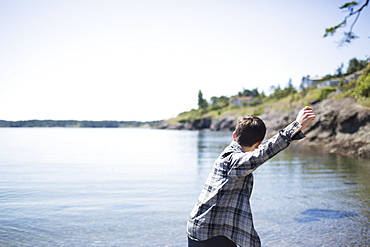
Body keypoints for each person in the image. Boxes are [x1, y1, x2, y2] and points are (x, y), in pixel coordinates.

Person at [187, 106, 316, 247]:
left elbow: (260, 151)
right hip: (209, 233)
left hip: (208, 228)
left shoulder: (230, 153)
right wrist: (295, 126)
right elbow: (262, 153)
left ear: (234, 135)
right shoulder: (233, 161)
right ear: (259, 143)